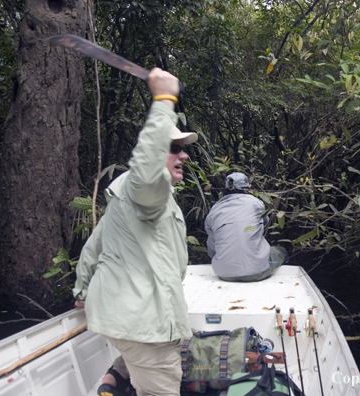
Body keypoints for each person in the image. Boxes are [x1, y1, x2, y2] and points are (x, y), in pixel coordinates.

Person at [72, 68, 197, 396]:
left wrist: (82, 290)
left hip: (120, 318)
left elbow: (95, 245)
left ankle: (114, 377)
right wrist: (164, 100)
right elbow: (146, 169)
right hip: (145, 331)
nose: (183, 155)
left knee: (145, 351)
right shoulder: (146, 193)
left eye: (184, 148)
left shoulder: (124, 195)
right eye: (174, 147)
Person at [205, 172, 288, 282]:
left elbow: (212, 248)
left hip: (224, 274)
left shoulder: (214, 210)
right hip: (257, 271)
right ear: (247, 189)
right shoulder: (256, 203)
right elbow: (264, 222)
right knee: (281, 251)